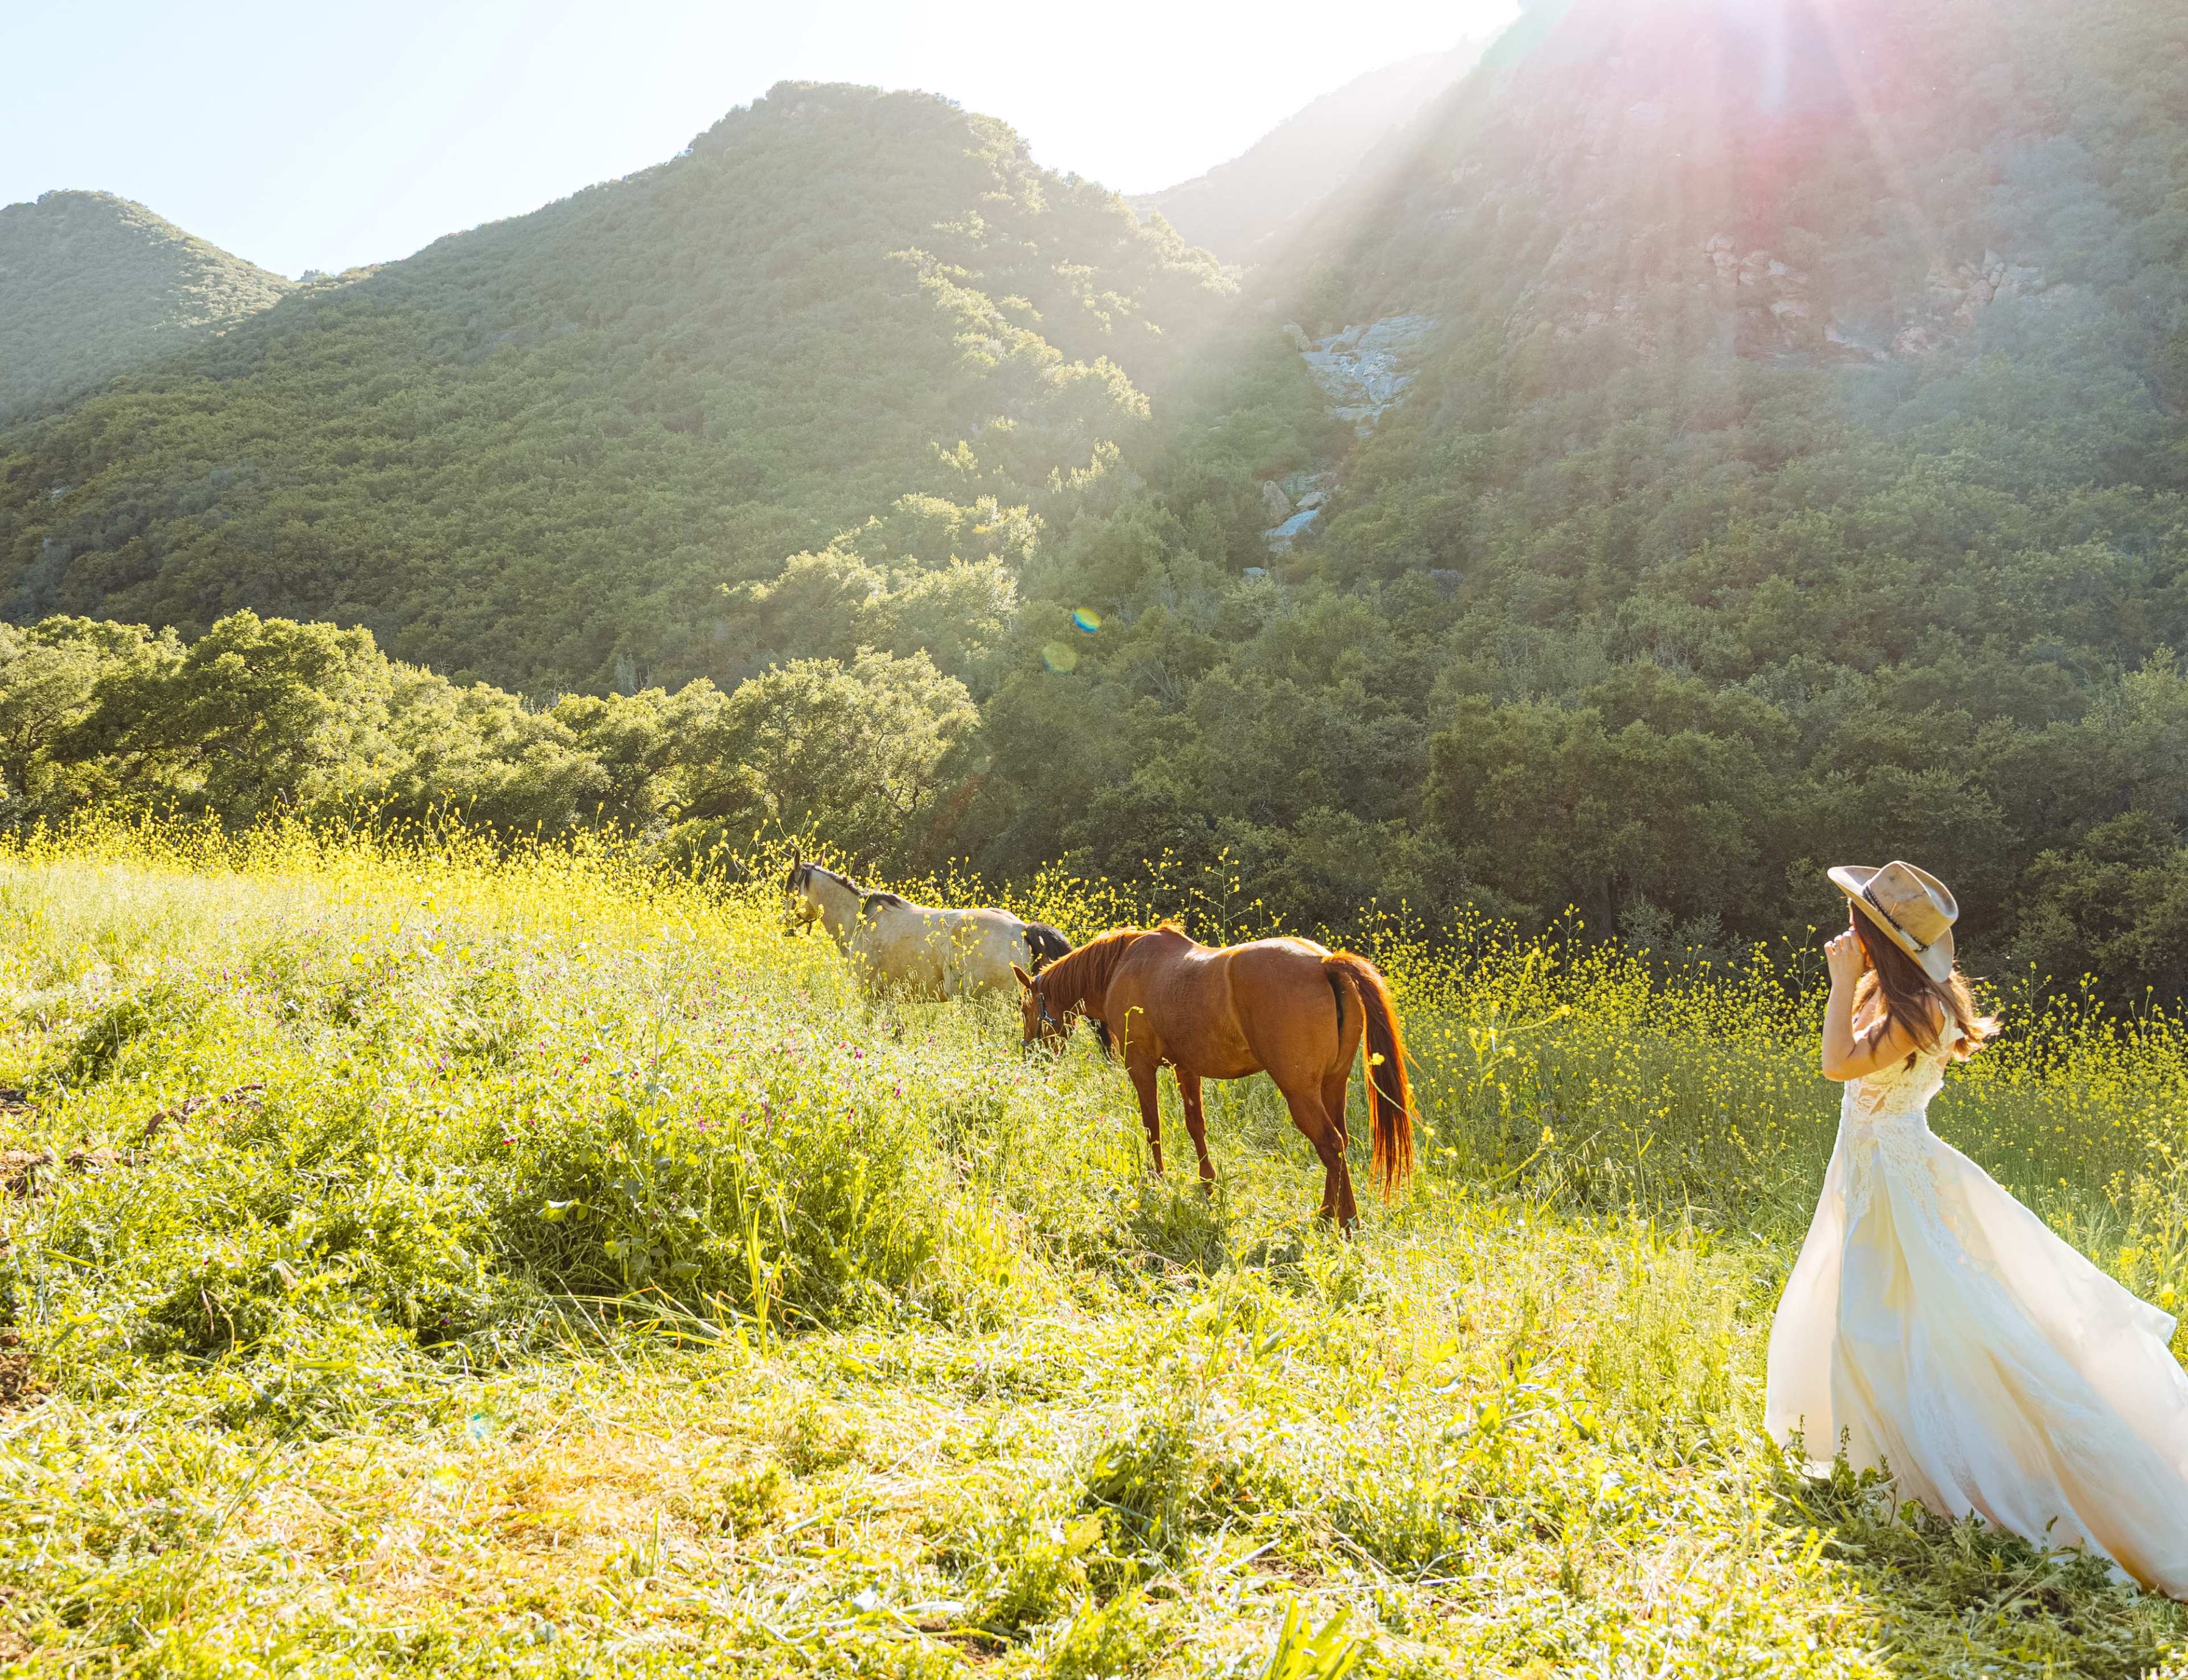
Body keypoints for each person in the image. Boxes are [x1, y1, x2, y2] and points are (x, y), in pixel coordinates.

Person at [1766, 860, 2188, 1595]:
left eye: (1858, 924)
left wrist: (1838, 984)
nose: (1847, 932)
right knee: (1879, 1310)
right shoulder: (1895, 991)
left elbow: (1838, 1064)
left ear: (1881, 938)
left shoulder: (1923, 1008)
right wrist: (1854, 983)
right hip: (1873, 1170)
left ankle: (1952, 1463)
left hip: (1899, 1177)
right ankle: (1870, 1445)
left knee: (1918, 1317)